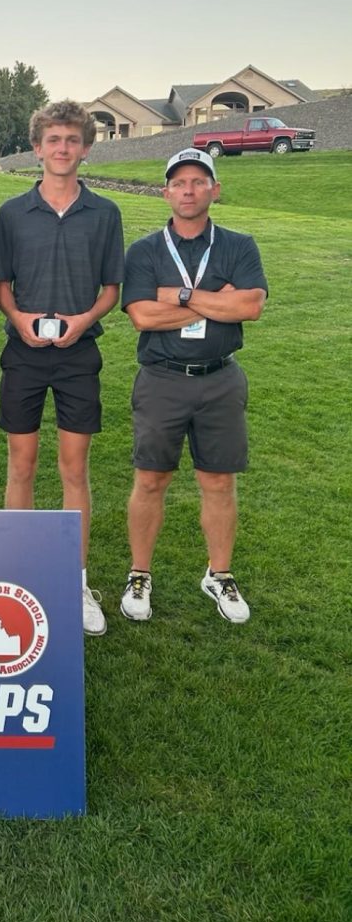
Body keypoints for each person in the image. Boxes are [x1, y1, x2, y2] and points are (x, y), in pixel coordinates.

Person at [120, 147, 267, 624]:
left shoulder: (239, 245)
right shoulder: (143, 250)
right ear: (166, 193)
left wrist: (179, 296)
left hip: (220, 378)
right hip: (162, 380)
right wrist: (211, 300)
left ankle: (219, 574)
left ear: (214, 190)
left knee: (219, 482)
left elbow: (250, 306)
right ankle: (139, 572)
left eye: (198, 182)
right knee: (151, 479)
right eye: (179, 183)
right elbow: (142, 316)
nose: (188, 190)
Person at [0, 100, 124, 636]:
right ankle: (19, 572)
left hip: (78, 355)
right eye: (53, 140)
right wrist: (19, 317)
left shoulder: (105, 214)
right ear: (38, 147)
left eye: (72, 140)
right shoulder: (12, 213)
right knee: (21, 464)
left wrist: (83, 318)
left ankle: (76, 578)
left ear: (86, 148)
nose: (62, 149)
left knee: (74, 469)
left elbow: (112, 290)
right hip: (23, 353)